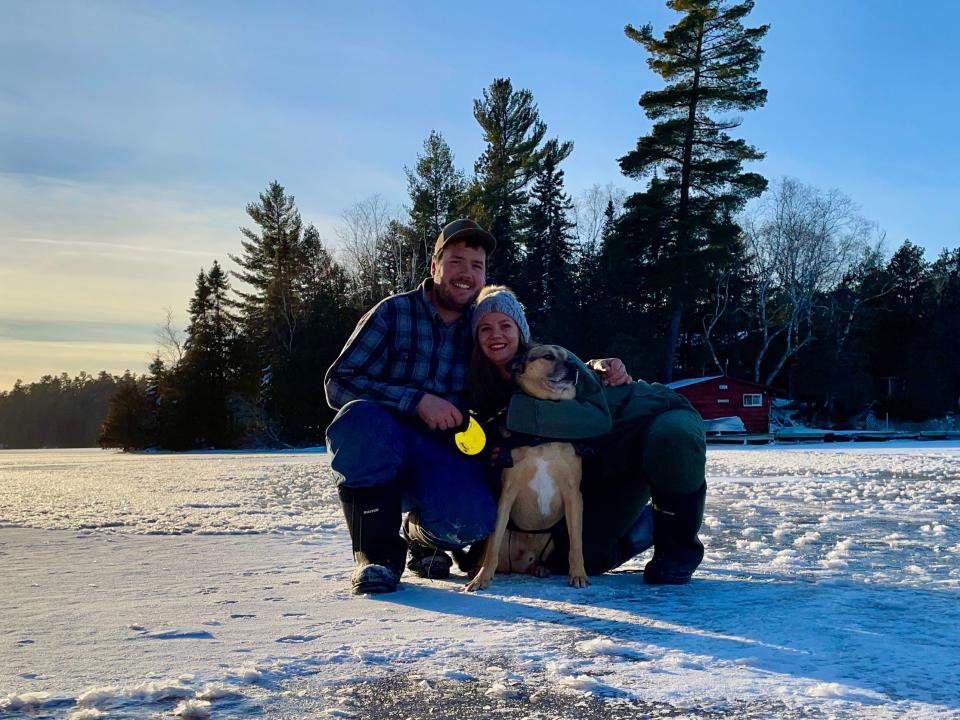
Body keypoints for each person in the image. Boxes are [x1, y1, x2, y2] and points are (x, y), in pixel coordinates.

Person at [469, 285, 708, 584]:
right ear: (475, 338)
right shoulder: (486, 380)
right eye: (485, 329)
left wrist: (515, 418)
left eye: (506, 325)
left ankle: (677, 551)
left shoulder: (554, 360)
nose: (496, 335)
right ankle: (643, 523)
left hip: (653, 413)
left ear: (522, 330)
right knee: (583, 559)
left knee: (673, 442)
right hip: (610, 456)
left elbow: (597, 417)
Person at [324, 219, 500, 594]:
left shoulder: (485, 327)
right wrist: (416, 400)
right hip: (381, 444)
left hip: (442, 453)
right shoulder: (392, 313)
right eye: (456, 262)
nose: (466, 274)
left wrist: (598, 369)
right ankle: (376, 557)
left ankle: (423, 537)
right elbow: (338, 382)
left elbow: (529, 364)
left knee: (473, 519)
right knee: (359, 419)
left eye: (477, 266)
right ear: (434, 266)